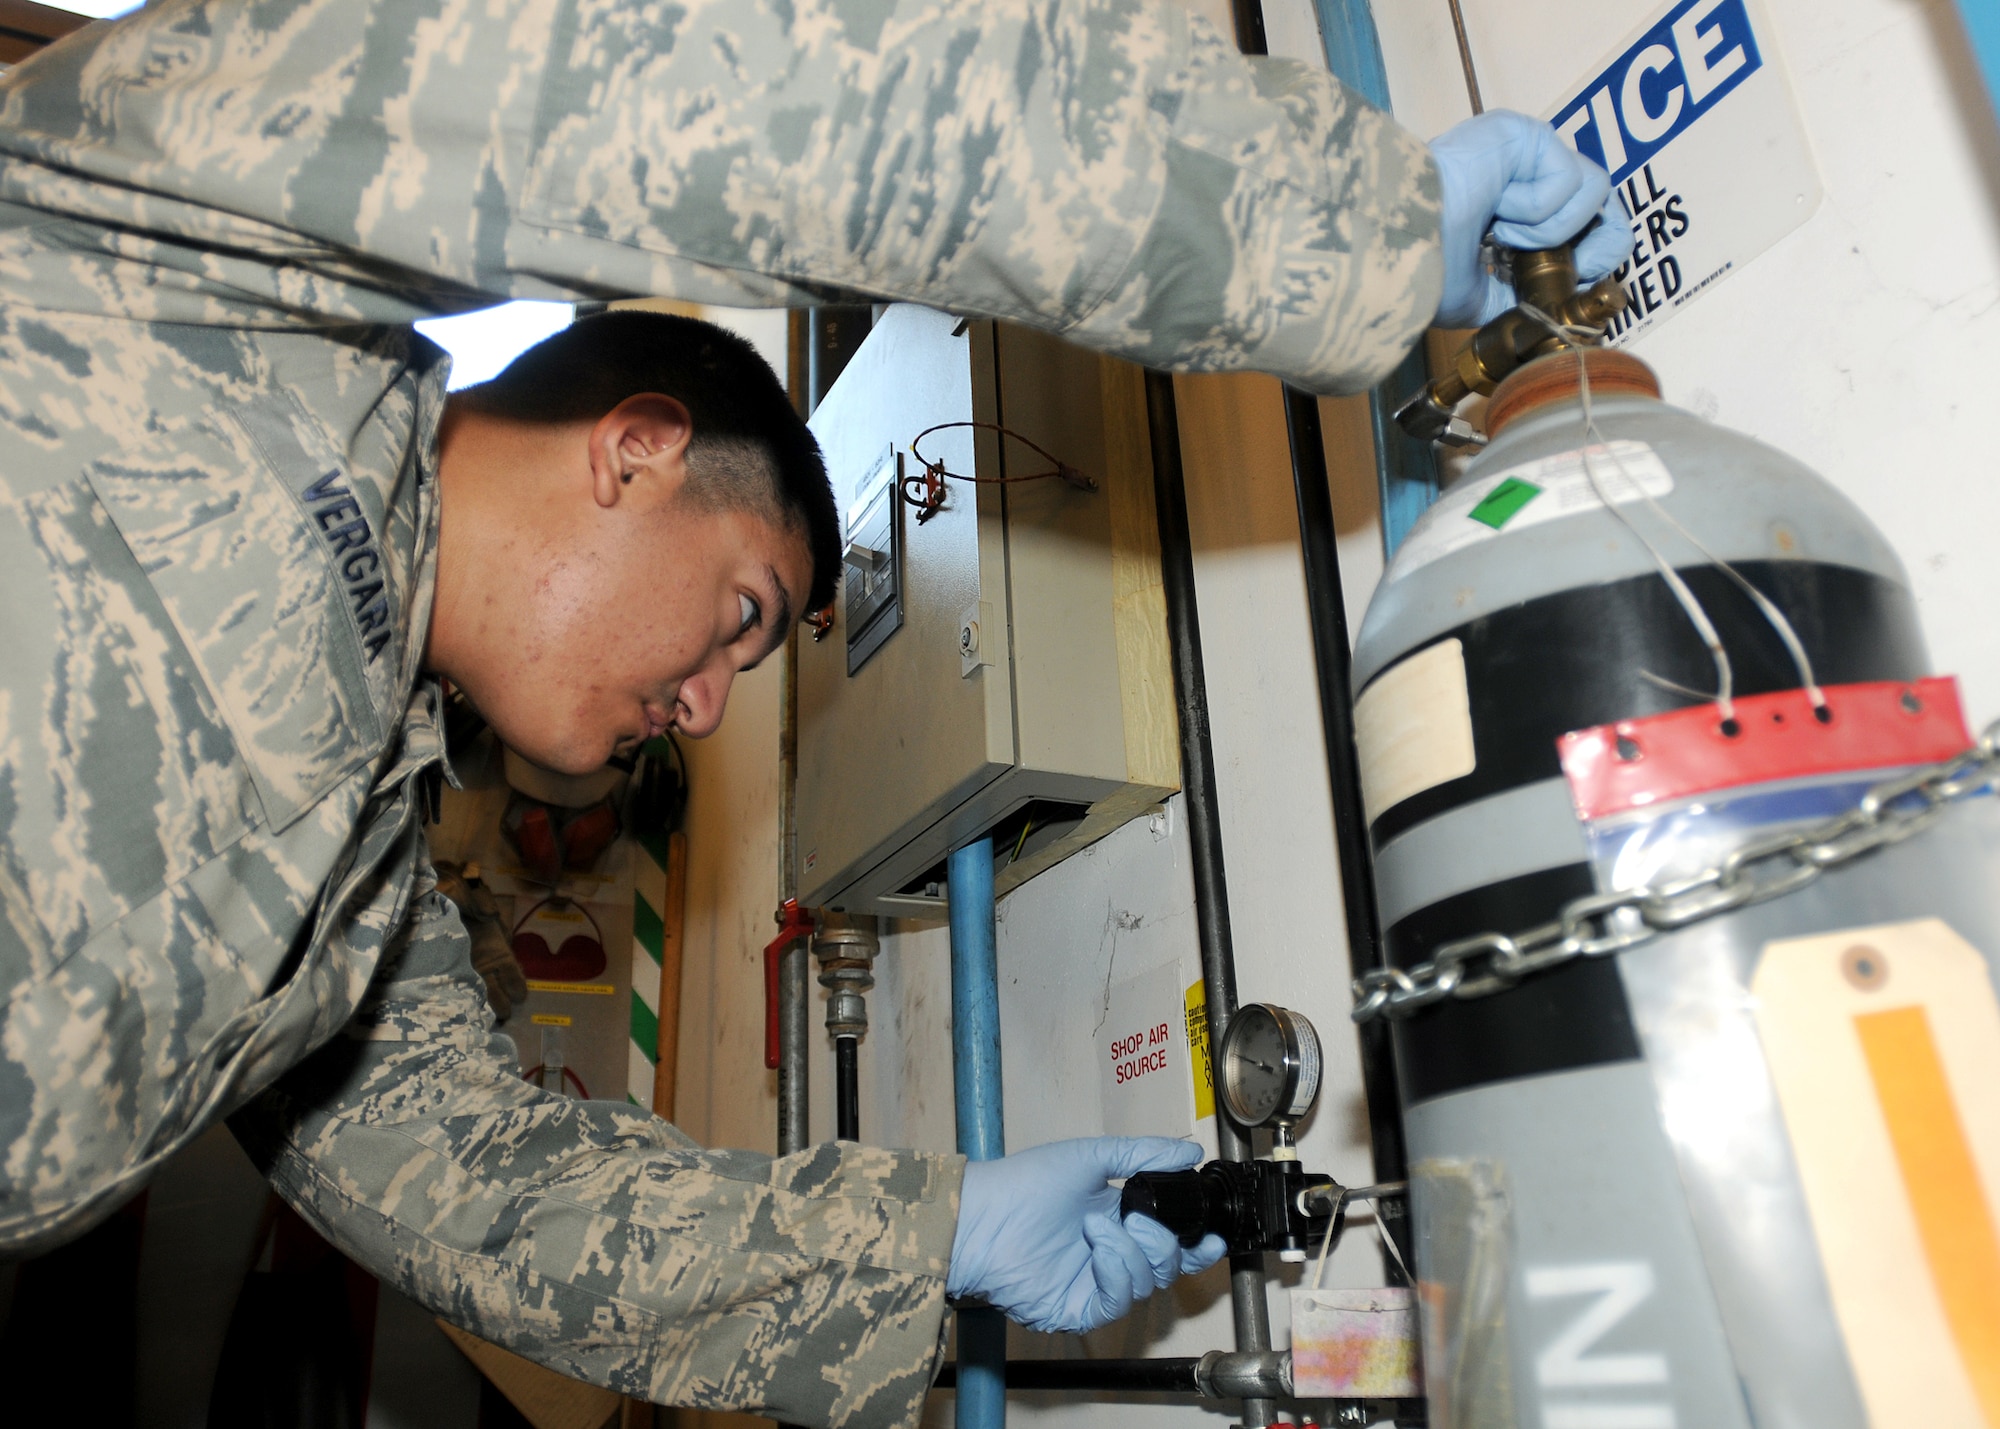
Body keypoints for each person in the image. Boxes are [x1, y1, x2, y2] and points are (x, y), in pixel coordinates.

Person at [0, 0, 1629, 1423]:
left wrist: (937, 1233)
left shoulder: (350, 889)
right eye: (740, 617)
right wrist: (1334, 222)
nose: (707, 708)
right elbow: (677, 92)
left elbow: (482, 1199)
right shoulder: (202, 273)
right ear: (636, 449)